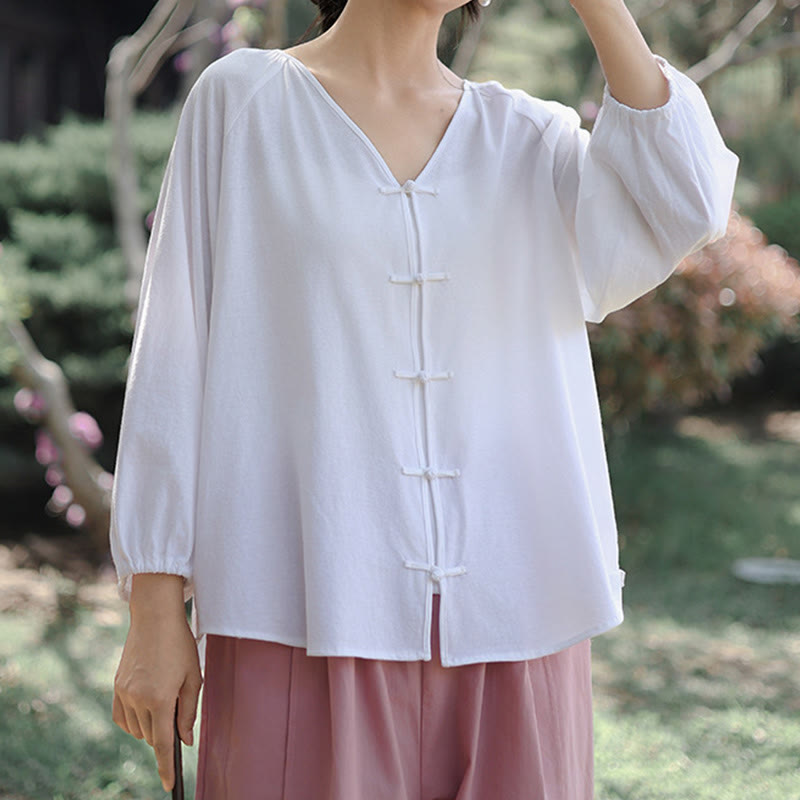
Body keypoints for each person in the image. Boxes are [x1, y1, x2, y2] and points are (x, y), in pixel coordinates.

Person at [109, 0, 739, 796]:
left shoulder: (530, 139)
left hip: (517, 623)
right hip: (301, 607)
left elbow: (685, 202)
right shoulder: (243, 104)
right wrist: (154, 609)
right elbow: (174, 357)